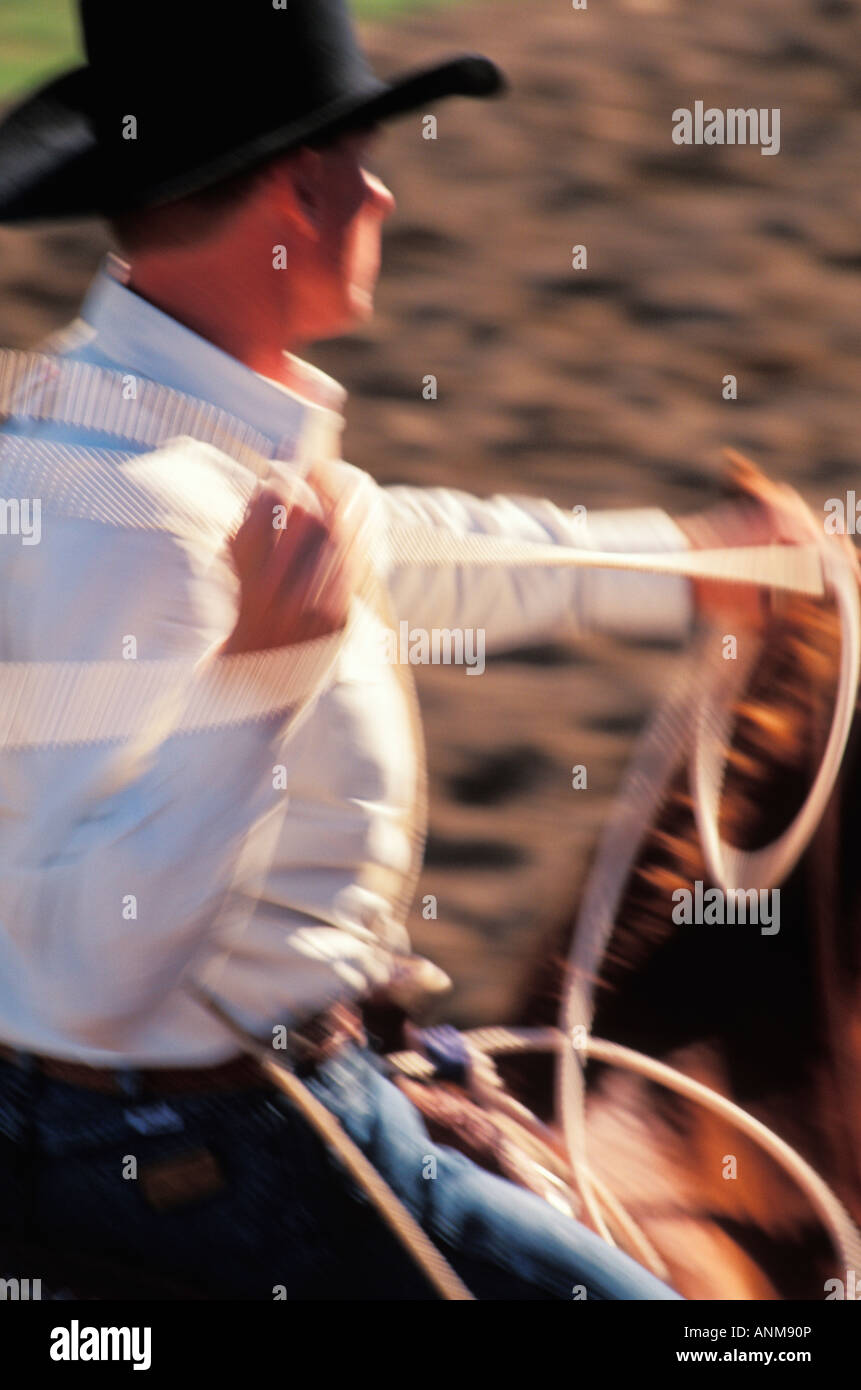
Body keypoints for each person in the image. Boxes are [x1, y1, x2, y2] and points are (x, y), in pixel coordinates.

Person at [0, 0, 784, 1299]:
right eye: (359, 165)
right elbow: (91, 979)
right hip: (216, 1137)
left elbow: (399, 550)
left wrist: (682, 566)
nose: (384, 196)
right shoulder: (145, 512)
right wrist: (261, 685)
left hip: (206, 1095)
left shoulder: (122, 419)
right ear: (289, 196)